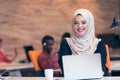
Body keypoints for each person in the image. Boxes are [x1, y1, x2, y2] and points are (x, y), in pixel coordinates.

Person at [58, 9, 109, 76]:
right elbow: (65, 69)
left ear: (90, 23)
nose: (79, 26)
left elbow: (101, 68)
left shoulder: (99, 44)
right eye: (76, 23)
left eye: (83, 22)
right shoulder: (66, 43)